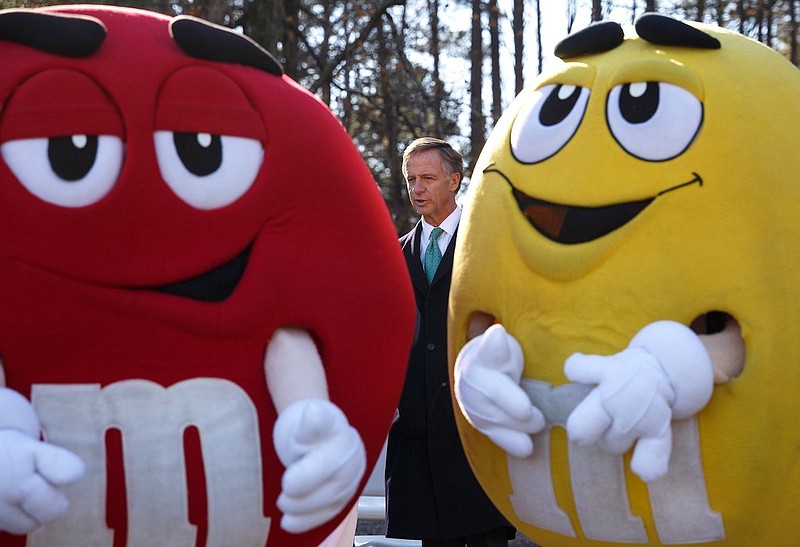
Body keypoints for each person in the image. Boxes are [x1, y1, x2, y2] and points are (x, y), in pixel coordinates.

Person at [385, 137, 516, 547]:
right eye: (411, 179)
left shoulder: (487, 246)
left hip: (472, 430)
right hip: (415, 437)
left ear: (455, 181)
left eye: (427, 178)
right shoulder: (396, 253)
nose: (417, 189)